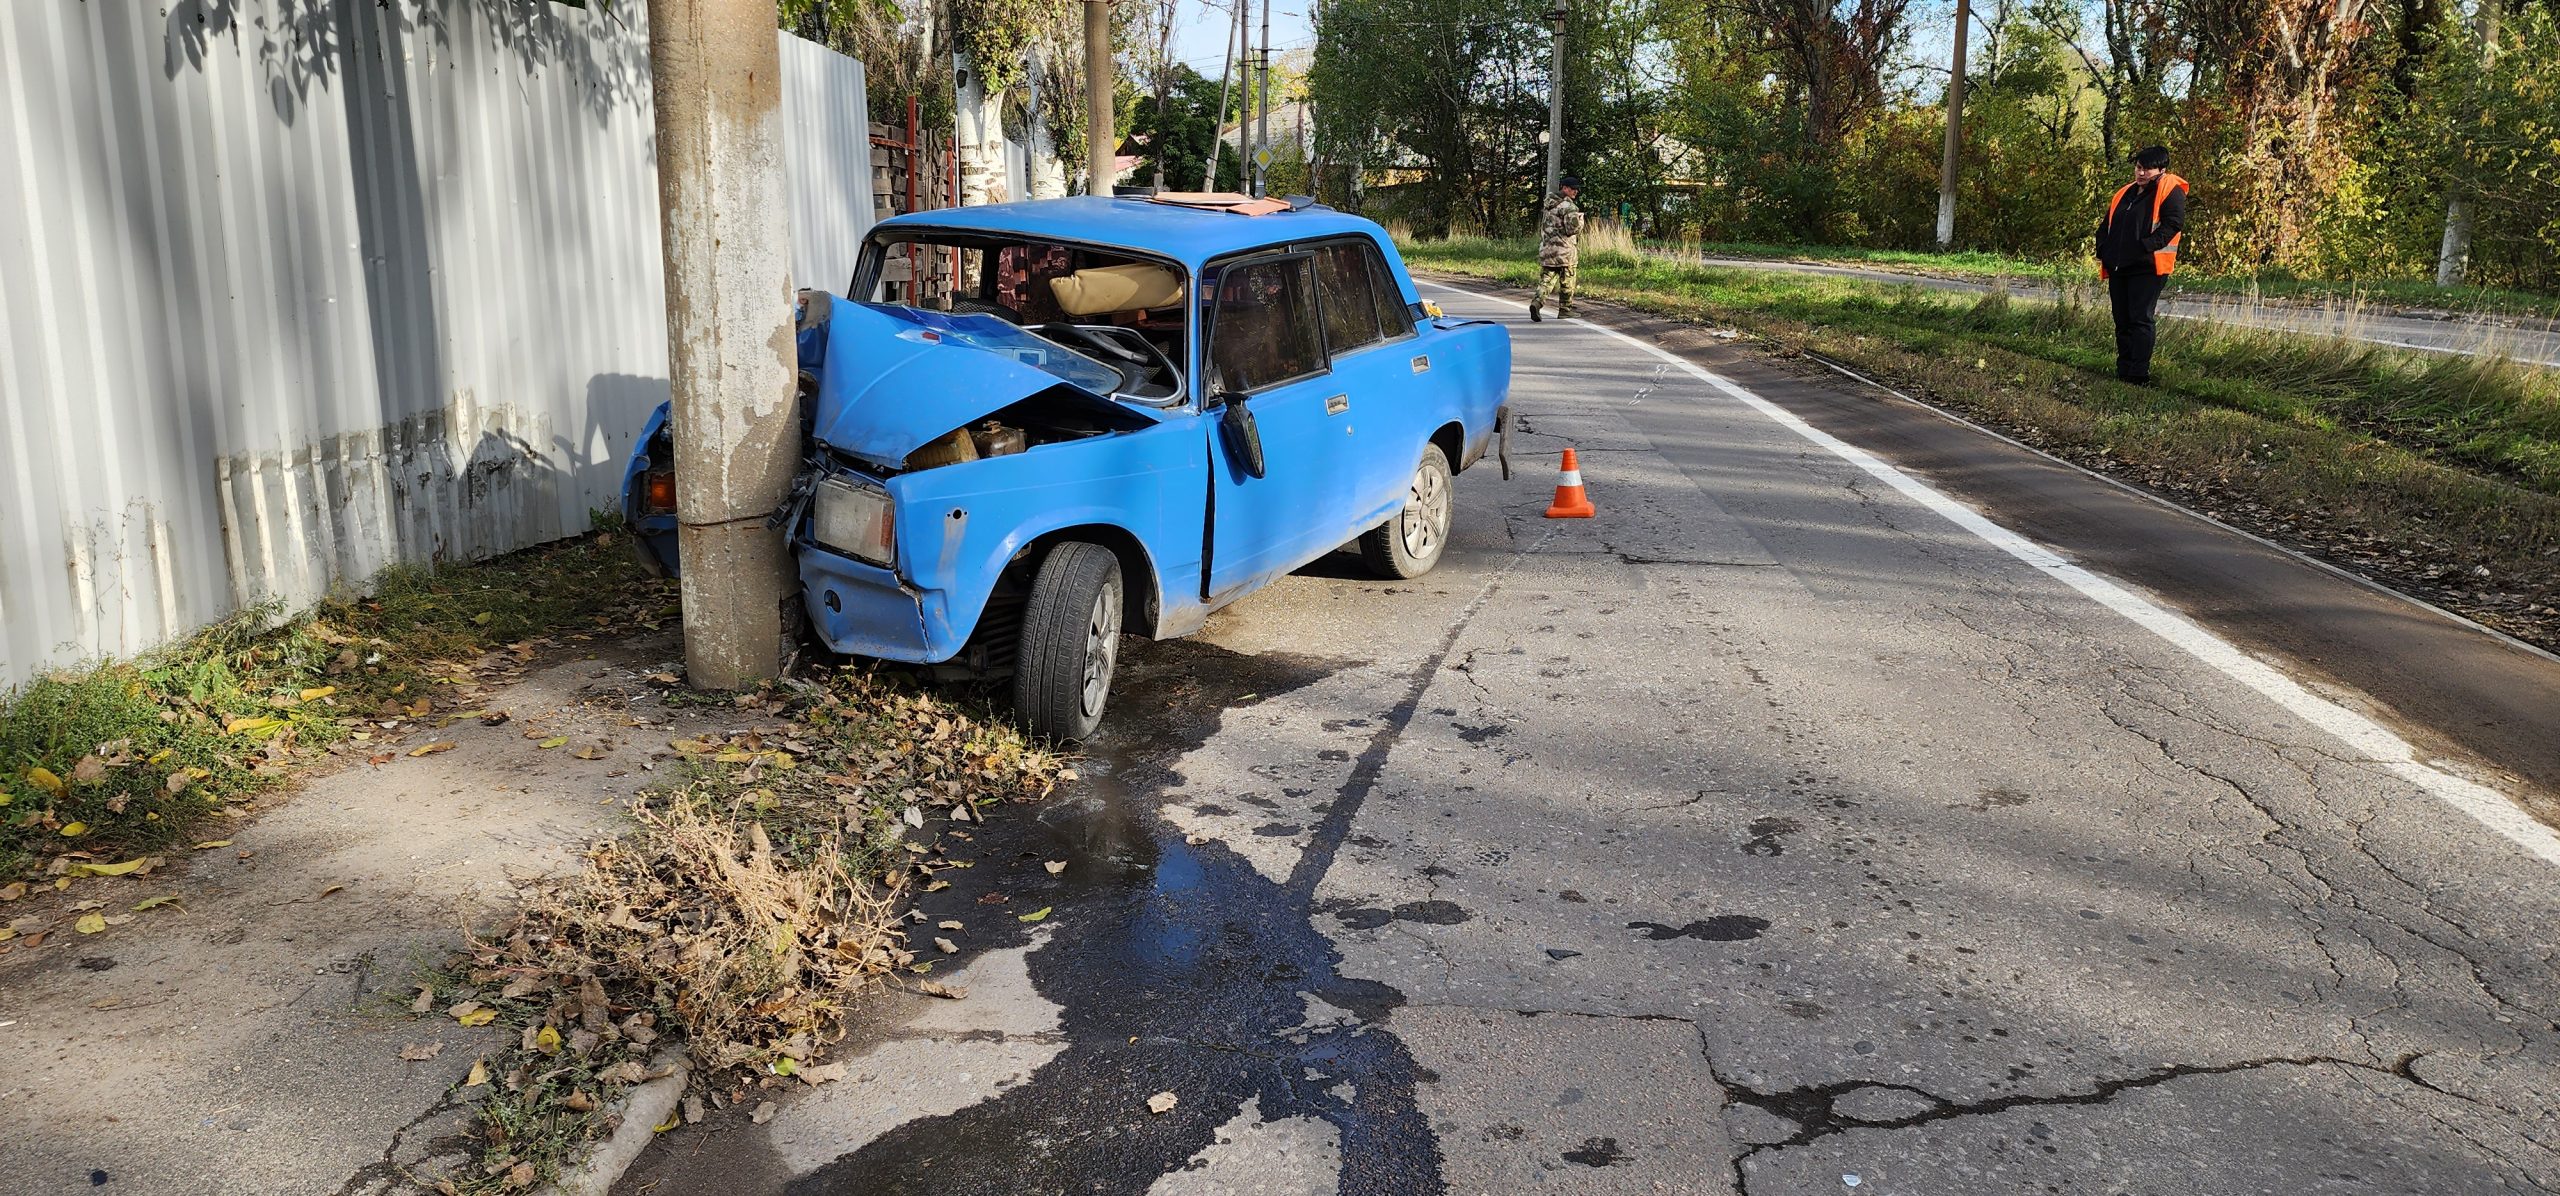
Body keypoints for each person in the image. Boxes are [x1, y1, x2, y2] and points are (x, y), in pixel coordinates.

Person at [2095, 145, 2190, 384]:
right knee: (2122, 319)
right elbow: (2107, 223)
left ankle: (2138, 374)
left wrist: (2145, 246)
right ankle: (2124, 369)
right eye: (2139, 168)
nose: (2141, 173)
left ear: (2161, 169)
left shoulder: (2170, 190)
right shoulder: (2126, 192)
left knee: (2140, 319)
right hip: (2119, 265)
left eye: (2147, 169)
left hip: (2148, 267)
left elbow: (2173, 225)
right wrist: (2103, 249)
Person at [1530, 176, 1585, 323]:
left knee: (1546, 280)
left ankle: (1537, 302)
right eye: (1573, 188)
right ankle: (1565, 310)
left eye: (1577, 189)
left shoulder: (1549, 203)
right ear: (1564, 188)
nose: (1576, 191)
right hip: (1564, 250)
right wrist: (1580, 221)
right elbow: (1572, 229)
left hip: (1547, 249)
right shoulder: (1569, 207)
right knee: (1568, 279)